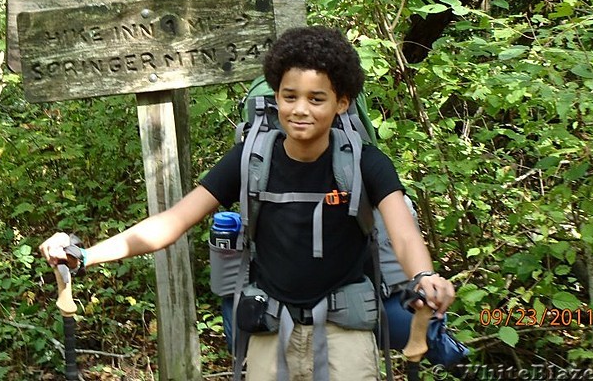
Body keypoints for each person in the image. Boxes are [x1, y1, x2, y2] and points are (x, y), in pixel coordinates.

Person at [39, 26, 456, 381]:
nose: (300, 110)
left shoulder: (364, 162)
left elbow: (402, 231)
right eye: (289, 96)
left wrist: (424, 275)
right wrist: (85, 255)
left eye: (317, 99)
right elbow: (171, 223)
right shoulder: (251, 159)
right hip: (269, 329)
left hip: (345, 328)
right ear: (276, 97)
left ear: (341, 103)